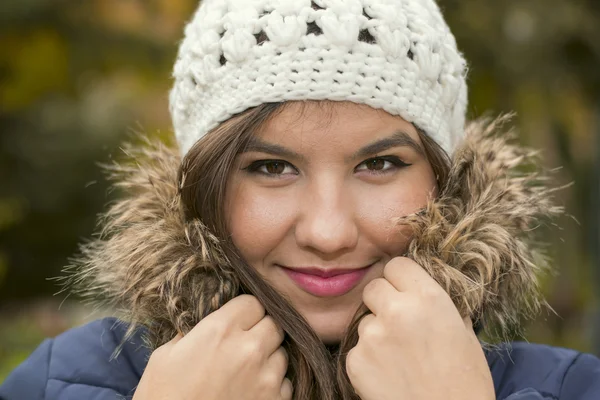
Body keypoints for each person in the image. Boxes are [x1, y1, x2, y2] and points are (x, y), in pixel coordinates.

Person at [1, 0, 599, 399]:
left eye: (380, 164)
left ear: (446, 185)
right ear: (202, 189)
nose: (329, 232)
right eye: (271, 167)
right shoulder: (63, 382)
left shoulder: (572, 387)